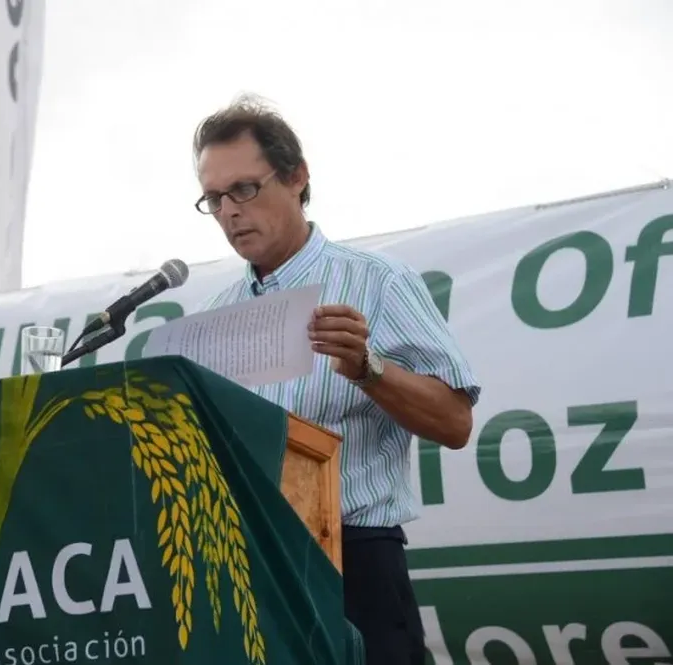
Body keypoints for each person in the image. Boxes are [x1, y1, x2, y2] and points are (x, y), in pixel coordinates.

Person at [192, 95, 481, 665]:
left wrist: (369, 370)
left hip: (356, 564)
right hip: (254, 569)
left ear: (297, 177)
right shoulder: (218, 315)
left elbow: (455, 422)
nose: (229, 211)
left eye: (245, 190)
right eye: (214, 198)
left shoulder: (378, 281)